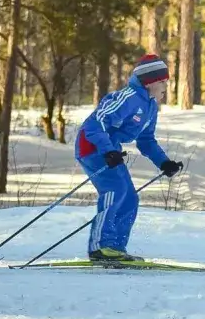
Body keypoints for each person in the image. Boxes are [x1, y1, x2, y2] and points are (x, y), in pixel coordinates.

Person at [75, 54, 184, 261]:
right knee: (115, 190)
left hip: (110, 150)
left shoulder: (150, 107)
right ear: (150, 82)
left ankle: (115, 248)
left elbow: (146, 140)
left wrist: (164, 162)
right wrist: (108, 150)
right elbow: (95, 123)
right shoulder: (128, 98)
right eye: (163, 81)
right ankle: (100, 247)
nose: (165, 86)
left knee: (130, 197)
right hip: (92, 147)